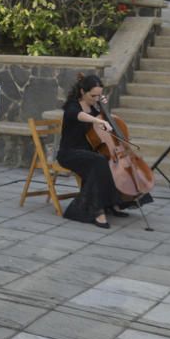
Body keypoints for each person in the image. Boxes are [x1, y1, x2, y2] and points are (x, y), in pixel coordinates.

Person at [57, 74, 127, 228]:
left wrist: (103, 110)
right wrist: (98, 119)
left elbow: (103, 129)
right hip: (69, 153)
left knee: (101, 162)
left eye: (99, 95)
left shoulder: (95, 108)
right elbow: (78, 116)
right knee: (99, 162)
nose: (96, 98)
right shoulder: (72, 105)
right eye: (93, 95)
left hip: (88, 153)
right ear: (82, 91)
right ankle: (98, 211)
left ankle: (110, 204)